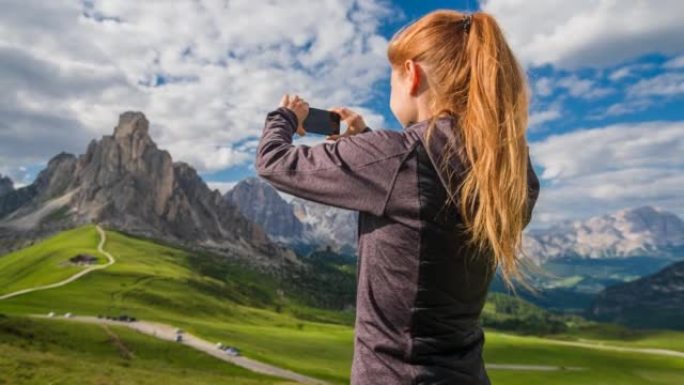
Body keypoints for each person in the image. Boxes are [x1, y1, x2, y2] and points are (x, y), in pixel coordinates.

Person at [255, 9, 541, 385]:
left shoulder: (399, 159)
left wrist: (285, 117)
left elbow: (273, 161)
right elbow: (420, 194)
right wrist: (364, 143)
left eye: (390, 78)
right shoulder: (506, 172)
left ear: (412, 74)